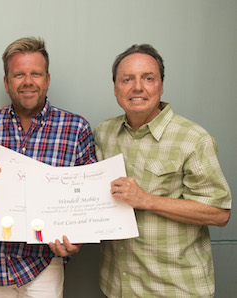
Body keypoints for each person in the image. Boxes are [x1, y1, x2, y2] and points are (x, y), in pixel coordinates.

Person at [95, 44, 232, 297]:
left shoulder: (193, 139)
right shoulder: (104, 133)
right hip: (117, 286)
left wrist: (146, 200)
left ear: (161, 85)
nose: (137, 87)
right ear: (115, 88)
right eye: (127, 79)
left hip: (173, 288)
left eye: (148, 78)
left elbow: (219, 214)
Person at [0, 37, 97, 297]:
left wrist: (77, 239)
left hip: (45, 261)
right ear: (6, 83)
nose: (28, 81)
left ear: (47, 79)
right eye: (18, 74)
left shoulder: (76, 128)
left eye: (35, 74)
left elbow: (88, 199)